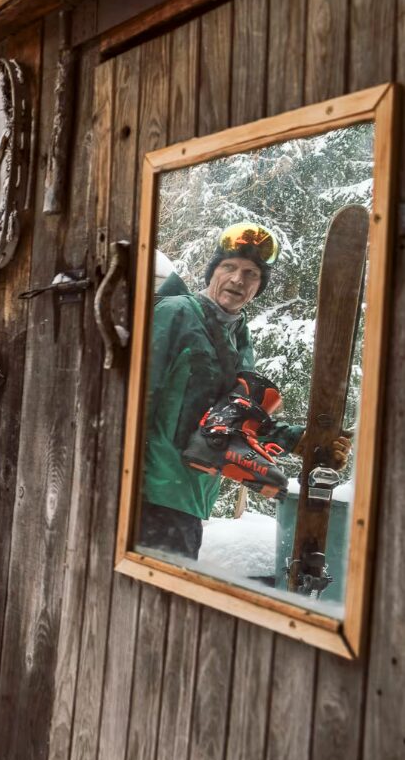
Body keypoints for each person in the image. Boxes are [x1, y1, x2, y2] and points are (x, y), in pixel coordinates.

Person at [139, 222, 349, 560]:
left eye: (251, 274)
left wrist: (302, 441)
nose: (238, 279)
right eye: (229, 267)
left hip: (190, 497)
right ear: (213, 273)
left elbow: (232, 417)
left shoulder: (239, 338)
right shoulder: (176, 313)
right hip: (149, 493)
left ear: (258, 287)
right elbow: (137, 394)